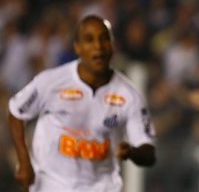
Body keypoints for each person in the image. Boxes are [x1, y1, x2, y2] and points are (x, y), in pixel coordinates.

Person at [8, 15, 156, 192]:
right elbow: (16, 112)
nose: (98, 46)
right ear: (77, 47)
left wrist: (133, 152)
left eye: (104, 39)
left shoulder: (129, 96)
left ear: (113, 45)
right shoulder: (51, 81)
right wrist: (24, 162)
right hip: (51, 184)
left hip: (102, 187)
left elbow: (148, 153)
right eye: (89, 39)